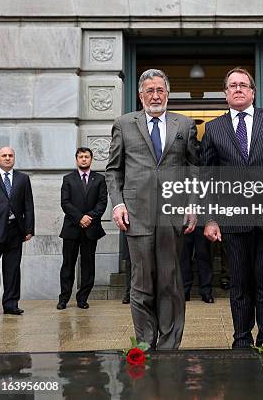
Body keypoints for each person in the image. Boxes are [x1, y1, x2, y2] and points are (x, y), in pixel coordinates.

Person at [201, 67, 263, 349]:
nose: (238, 89)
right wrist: (210, 219)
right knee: (240, 282)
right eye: (233, 85)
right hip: (233, 219)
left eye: (244, 85)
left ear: (253, 92)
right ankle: (241, 338)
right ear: (225, 93)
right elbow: (207, 177)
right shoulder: (214, 128)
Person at [106, 68, 199, 350]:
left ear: (168, 94)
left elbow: (194, 167)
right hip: (136, 214)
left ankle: (169, 345)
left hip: (173, 216)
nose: (155, 96)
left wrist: (193, 204)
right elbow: (113, 170)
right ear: (140, 95)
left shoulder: (184, 125)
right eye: (150, 91)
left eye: (160, 90)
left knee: (170, 281)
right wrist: (118, 203)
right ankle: (145, 342)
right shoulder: (123, 124)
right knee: (141, 282)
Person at [57, 147, 107, 310]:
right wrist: (80, 218)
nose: (83, 159)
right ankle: (64, 298)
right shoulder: (68, 179)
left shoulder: (99, 179)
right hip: (72, 228)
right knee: (68, 264)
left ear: (91, 159)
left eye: (86, 157)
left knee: (88, 264)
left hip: (91, 229)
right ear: (76, 159)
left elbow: (102, 203)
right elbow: (65, 202)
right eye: (80, 157)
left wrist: (89, 217)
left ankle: (82, 298)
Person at [0, 147, 34, 315]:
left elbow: (28, 206)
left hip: (15, 231)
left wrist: (29, 228)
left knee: (13, 269)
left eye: (10, 155)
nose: (8, 158)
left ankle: (10, 304)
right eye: (4, 155)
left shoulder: (23, 179)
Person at [181, 227, 214, 303]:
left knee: (204, 254)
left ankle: (206, 291)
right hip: (184, 219)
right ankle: (184, 290)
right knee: (184, 256)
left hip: (202, 219)